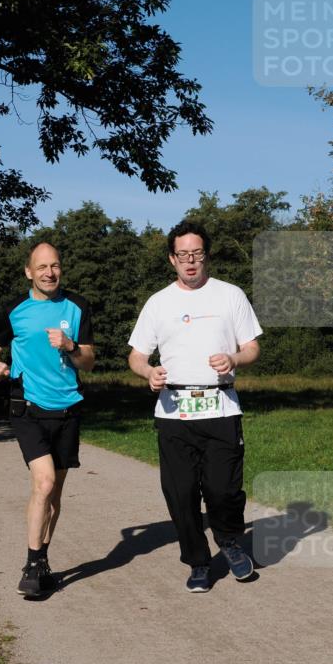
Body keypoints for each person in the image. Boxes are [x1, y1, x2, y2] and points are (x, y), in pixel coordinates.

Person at [128, 220, 262, 592]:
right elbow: (136, 355)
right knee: (181, 492)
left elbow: (252, 347)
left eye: (197, 254)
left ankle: (231, 542)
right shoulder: (159, 302)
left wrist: (234, 359)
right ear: (172, 259)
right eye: (183, 255)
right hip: (173, 411)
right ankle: (198, 562)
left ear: (207, 256)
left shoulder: (230, 295)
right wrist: (148, 373)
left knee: (223, 491)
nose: (191, 262)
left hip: (221, 409)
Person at [0, 243, 95, 597]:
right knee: (43, 483)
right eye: (42, 267)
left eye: (55, 266)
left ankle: (42, 557)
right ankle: (32, 565)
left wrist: (71, 346)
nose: (50, 272)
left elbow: (89, 361)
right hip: (27, 407)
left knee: (55, 493)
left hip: (67, 409)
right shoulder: (15, 310)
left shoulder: (77, 307)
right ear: (28, 272)